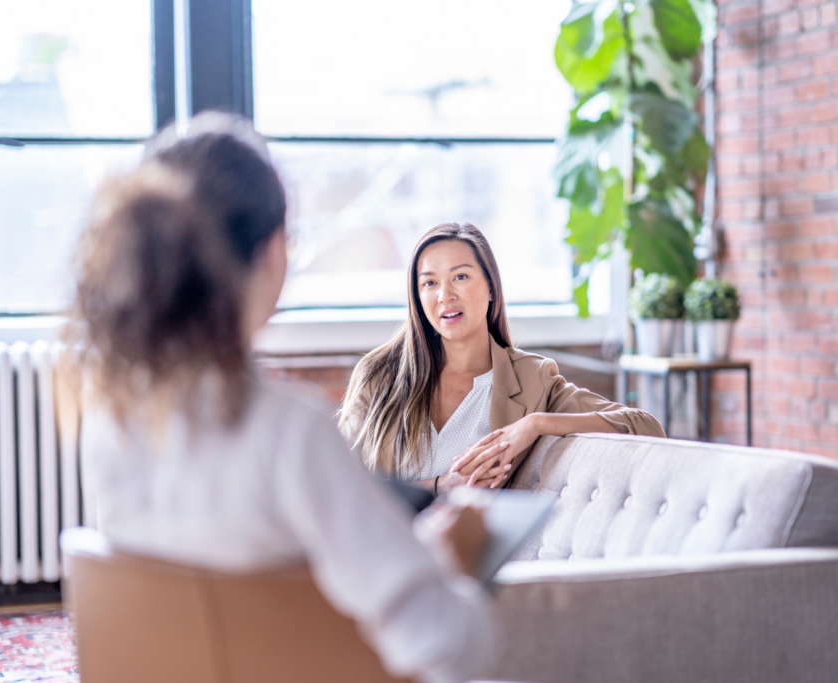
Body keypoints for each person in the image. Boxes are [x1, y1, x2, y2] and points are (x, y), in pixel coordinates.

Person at [69, 114, 493, 683]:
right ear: (272, 252)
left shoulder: (111, 419)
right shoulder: (290, 431)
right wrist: (451, 563)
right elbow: (450, 644)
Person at [339, 222, 665, 493]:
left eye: (461, 277)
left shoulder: (531, 378)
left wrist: (536, 423)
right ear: (418, 296)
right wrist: (441, 486)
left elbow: (645, 427)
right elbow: (339, 485)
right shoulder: (378, 375)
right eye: (430, 283)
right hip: (386, 553)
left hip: (477, 560)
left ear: (491, 287)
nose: (445, 295)